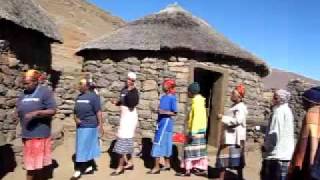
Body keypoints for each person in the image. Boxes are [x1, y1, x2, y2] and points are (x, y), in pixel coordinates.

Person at [16, 69, 56, 180]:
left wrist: (37, 113)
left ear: (36, 81)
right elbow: (19, 109)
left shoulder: (44, 92)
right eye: (24, 83)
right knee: (32, 164)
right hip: (27, 134)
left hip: (39, 134)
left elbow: (52, 110)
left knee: (35, 166)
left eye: (28, 83)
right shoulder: (23, 94)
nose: (25, 85)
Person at [71, 78, 104, 179]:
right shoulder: (79, 97)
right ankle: (89, 167)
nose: (79, 85)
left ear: (87, 86)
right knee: (85, 146)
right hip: (80, 126)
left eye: (81, 84)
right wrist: (75, 119)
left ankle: (78, 170)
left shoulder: (94, 97)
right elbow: (75, 112)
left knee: (81, 148)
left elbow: (98, 112)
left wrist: (101, 126)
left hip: (90, 126)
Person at [261, 89, 294, 180]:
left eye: (275, 98)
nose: (272, 100)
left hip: (276, 156)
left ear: (280, 100)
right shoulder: (287, 110)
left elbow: (275, 134)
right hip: (284, 154)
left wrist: (266, 147)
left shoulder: (278, 112)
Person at [216, 84, 248, 180]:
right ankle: (225, 177)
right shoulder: (235, 106)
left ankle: (237, 177)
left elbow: (237, 121)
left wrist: (223, 117)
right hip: (231, 136)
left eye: (233, 93)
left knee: (232, 158)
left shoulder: (240, 107)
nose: (231, 95)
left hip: (234, 137)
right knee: (226, 157)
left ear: (239, 96)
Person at [176, 82, 208, 177]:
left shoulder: (197, 103)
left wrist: (192, 132)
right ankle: (198, 168)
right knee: (198, 151)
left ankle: (187, 171)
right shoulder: (200, 101)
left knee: (189, 150)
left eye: (188, 91)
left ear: (192, 92)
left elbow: (197, 118)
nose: (187, 93)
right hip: (200, 130)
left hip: (195, 131)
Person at [110, 72, 139, 176]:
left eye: (131, 79)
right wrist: (116, 103)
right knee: (126, 139)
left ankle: (120, 167)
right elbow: (122, 101)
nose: (128, 81)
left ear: (133, 81)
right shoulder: (124, 89)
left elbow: (132, 104)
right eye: (127, 79)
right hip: (124, 117)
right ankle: (130, 163)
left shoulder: (134, 92)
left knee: (122, 140)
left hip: (129, 118)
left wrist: (130, 93)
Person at [289, 86, 320, 180]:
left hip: (309, 163)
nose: (302, 104)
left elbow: (307, 144)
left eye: (304, 101)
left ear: (311, 102)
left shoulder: (312, 113)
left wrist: (298, 165)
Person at [147, 79, 178, 174]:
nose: (162, 86)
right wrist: (158, 110)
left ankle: (156, 167)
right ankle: (167, 164)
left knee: (157, 143)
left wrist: (164, 112)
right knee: (165, 144)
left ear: (169, 86)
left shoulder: (172, 98)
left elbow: (175, 112)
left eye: (164, 84)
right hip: (160, 123)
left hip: (166, 125)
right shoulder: (163, 97)